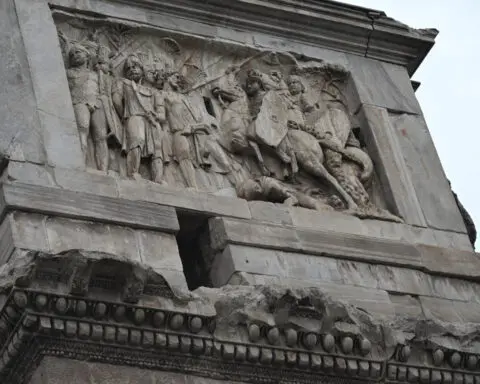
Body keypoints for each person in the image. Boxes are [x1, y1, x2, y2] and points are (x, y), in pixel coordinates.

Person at [112, 54, 169, 181]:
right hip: (134, 116)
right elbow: (116, 100)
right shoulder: (123, 83)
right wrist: (125, 117)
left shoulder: (154, 91)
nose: (132, 69)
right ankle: (133, 173)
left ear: (142, 70)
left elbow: (162, 114)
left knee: (157, 150)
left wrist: (155, 115)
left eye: (135, 66)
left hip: (152, 121)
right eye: (128, 68)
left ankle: (158, 179)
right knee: (137, 141)